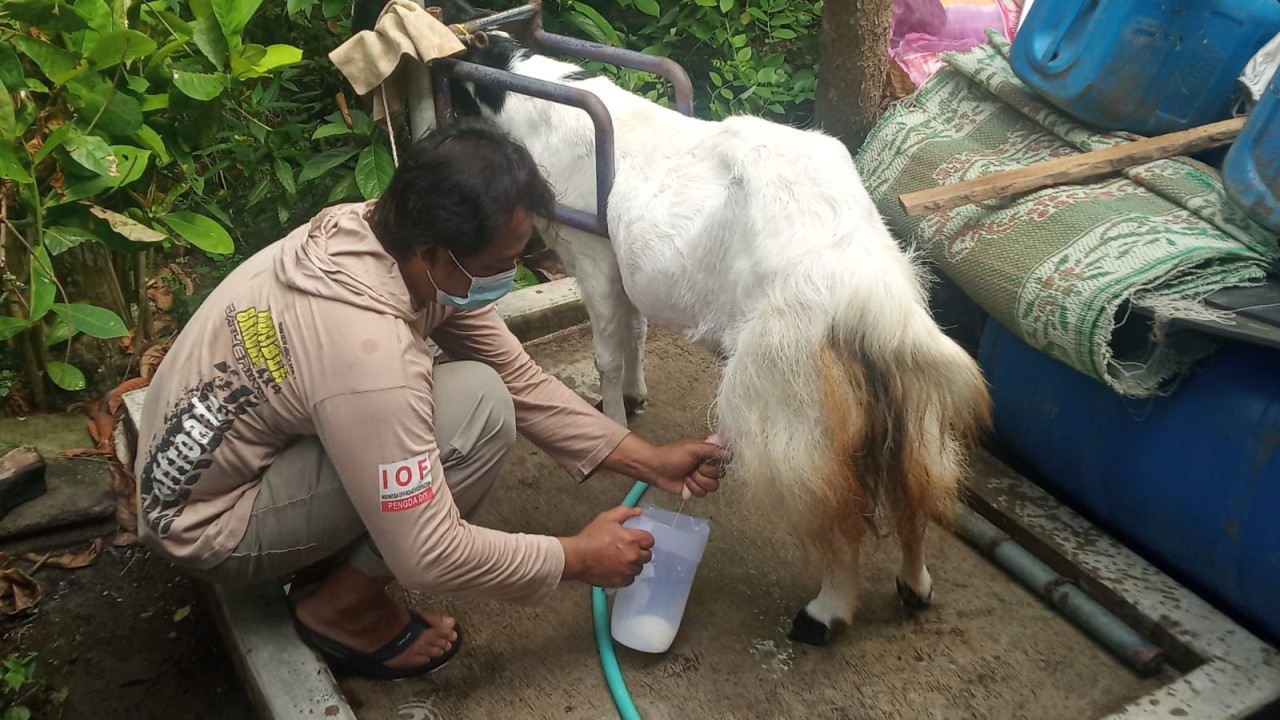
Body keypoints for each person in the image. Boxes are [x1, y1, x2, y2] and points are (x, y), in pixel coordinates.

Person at [132, 117, 727, 680]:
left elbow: (518, 376)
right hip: (210, 527)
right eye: (503, 263)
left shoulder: (371, 235)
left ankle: (332, 562)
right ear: (435, 255)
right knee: (478, 412)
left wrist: (648, 460)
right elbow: (429, 552)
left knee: (487, 388)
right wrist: (576, 557)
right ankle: (345, 610)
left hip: (195, 467)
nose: (514, 274)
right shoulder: (370, 357)